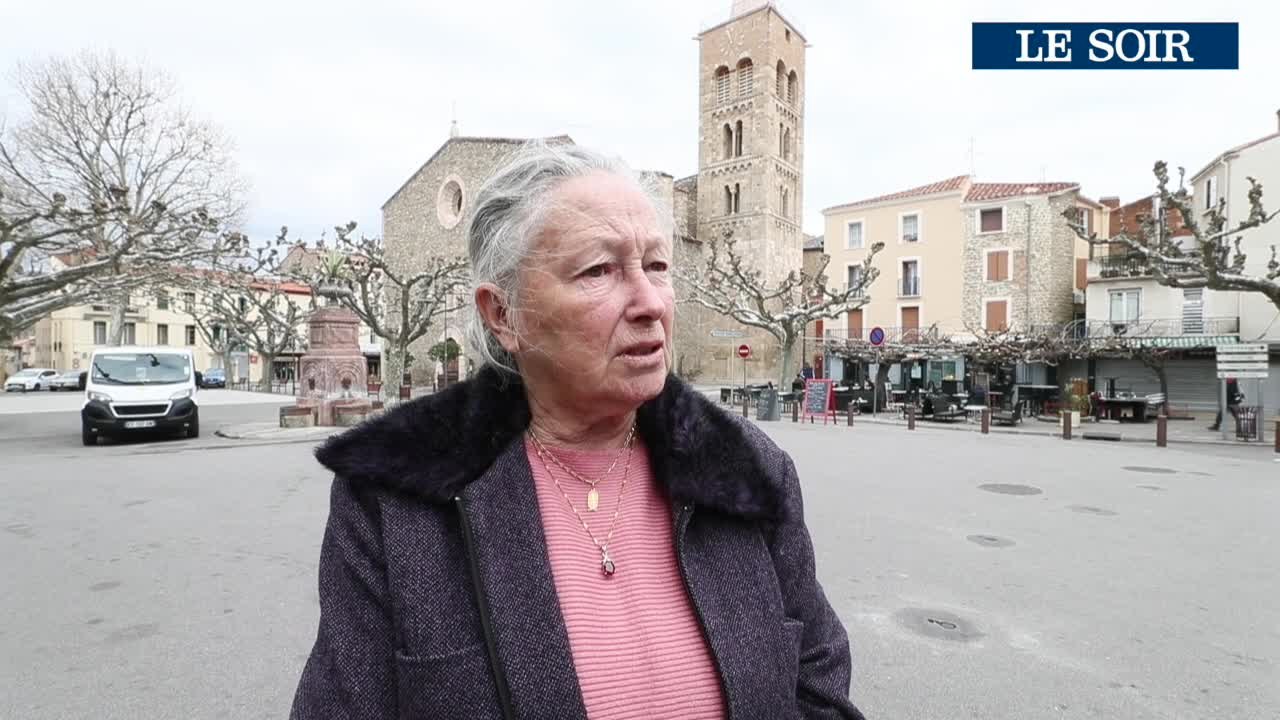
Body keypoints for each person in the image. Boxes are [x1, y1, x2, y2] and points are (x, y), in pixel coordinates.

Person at [290, 143, 864, 719]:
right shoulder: (392, 502)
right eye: (599, 270)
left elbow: (818, 688)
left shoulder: (749, 470)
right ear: (503, 314)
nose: (649, 302)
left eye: (657, 266)